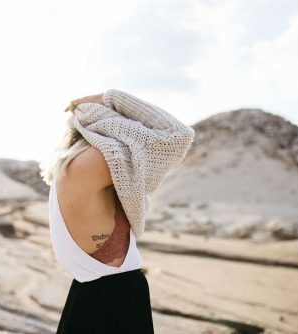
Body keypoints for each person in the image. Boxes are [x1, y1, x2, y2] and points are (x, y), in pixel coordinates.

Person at [40, 89, 195, 333]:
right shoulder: (92, 161)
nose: (130, 127)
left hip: (94, 292)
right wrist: (108, 98)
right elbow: (177, 135)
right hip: (112, 297)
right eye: (122, 121)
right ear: (106, 124)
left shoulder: (74, 165)